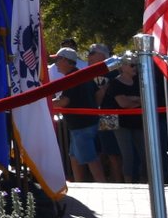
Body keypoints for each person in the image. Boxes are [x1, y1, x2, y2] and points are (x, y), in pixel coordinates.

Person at [61, 46, 108, 182]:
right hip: (82, 124)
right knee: (74, 156)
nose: (57, 64)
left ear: (65, 60)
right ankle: (80, 185)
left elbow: (64, 101)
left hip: (81, 125)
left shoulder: (72, 77)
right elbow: (98, 93)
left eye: (58, 60)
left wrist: (44, 103)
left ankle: (104, 186)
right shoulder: (82, 74)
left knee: (90, 158)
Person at [100, 53, 144, 182]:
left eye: (136, 65)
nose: (135, 67)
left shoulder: (139, 81)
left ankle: (142, 179)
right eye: (132, 65)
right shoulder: (115, 82)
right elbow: (124, 104)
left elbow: (144, 100)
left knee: (142, 153)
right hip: (117, 122)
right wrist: (136, 100)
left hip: (136, 122)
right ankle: (127, 182)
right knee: (124, 154)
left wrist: (132, 100)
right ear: (123, 66)